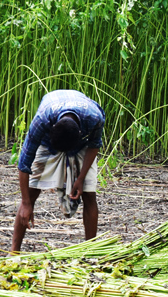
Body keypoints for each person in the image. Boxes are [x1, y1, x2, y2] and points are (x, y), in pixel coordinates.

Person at [11, 89, 105, 252]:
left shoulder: (94, 117)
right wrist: (26, 203)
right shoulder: (42, 120)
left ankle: (91, 252)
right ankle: (14, 251)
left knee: (89, 194)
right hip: (50, 144)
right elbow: (24, 164)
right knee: (31, 192)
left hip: (80, 146)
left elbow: (94, 145)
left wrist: (80, 178)